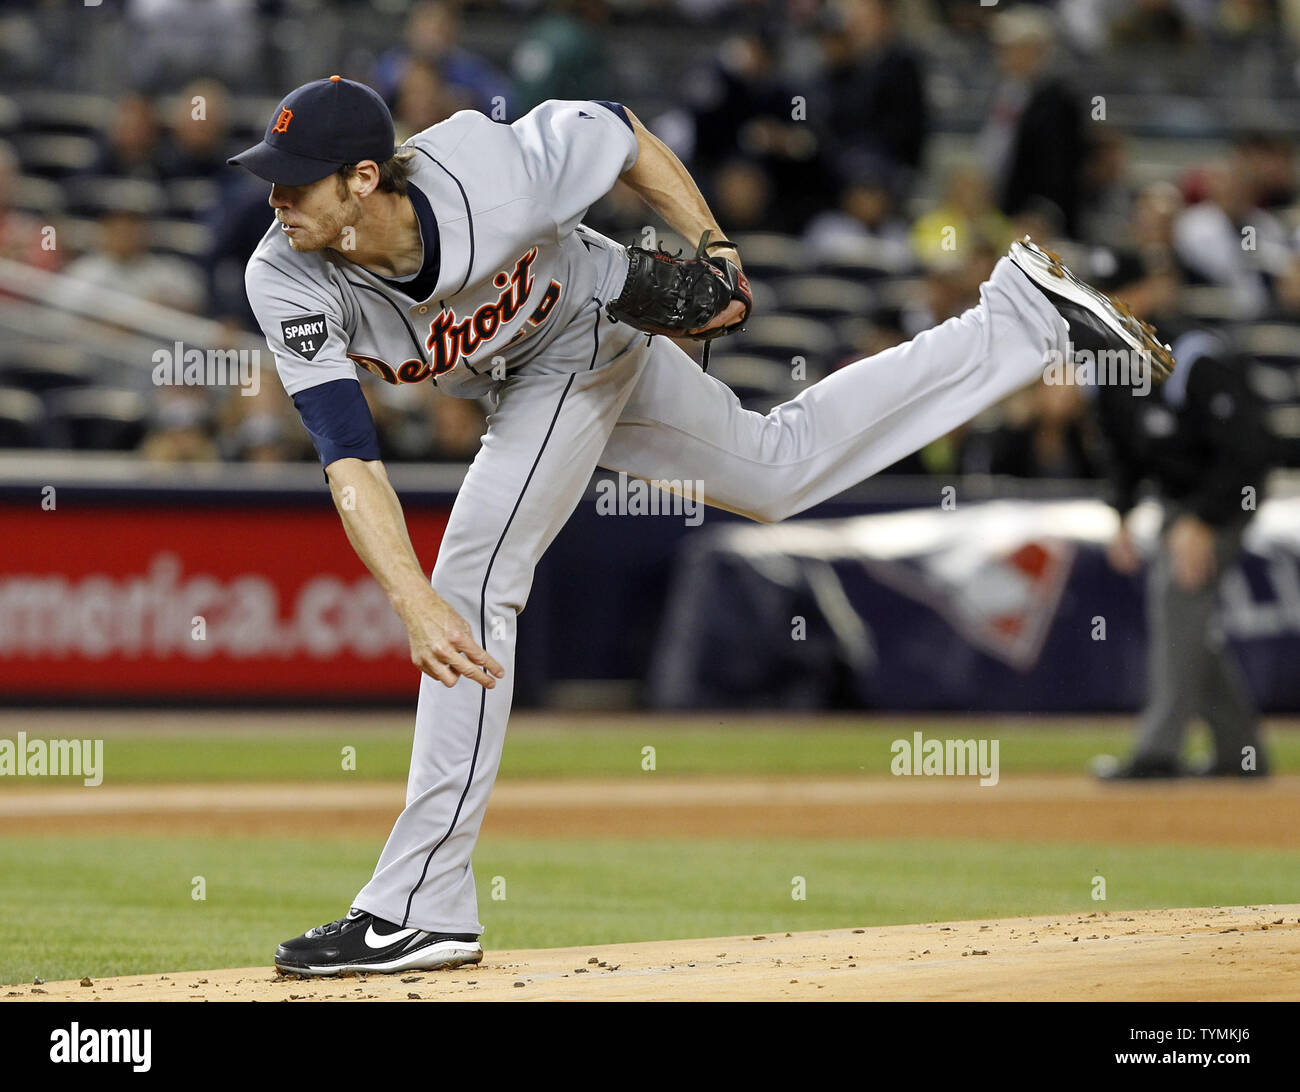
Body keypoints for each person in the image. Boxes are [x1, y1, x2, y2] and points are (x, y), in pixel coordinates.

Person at [230, 75, 1175, 977]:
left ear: (364, 178)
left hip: (585, 332)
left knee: (474, 581)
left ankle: (420, 906)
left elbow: (619, 131)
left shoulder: (490, 170)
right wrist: (406, 600)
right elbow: (348, 456)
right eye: (268, 181)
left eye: (293, 181)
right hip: (524, 369)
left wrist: (712, 244)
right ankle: (1020, 322)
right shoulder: (284, 276)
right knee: (779, 469)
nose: (274, 202)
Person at [1091, 330, 1273, 780]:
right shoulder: (1104, 370)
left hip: (1229, 499)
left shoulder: (1194, 360)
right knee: (1185, 626)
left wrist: (1204, 521)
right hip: (1176, 505)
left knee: (1177, 596)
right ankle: (1240, 753)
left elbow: (1249, 451)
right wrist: (1121, 514)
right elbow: (1120, 453)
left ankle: (1158, 752)